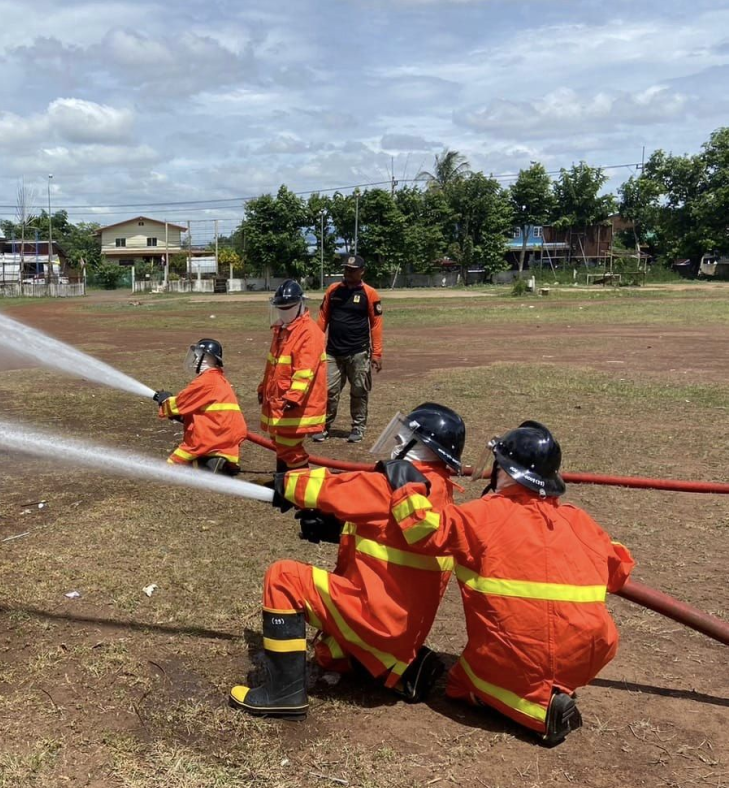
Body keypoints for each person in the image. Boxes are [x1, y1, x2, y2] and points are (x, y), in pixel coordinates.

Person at [229, 403, 466, 718]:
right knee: (328, 652)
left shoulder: (396, 484)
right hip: (401, 630)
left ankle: (281, 694)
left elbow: (331, 487)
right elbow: (391, 533)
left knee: (283, 577)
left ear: (421, 445)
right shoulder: (440, 492)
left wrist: (282, 485)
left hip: (377, 619)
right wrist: (337, 528)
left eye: (405, 435)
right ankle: (399, 670)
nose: (397, 441)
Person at [415, 421, 636, 745]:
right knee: (538, 655)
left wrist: (404, 484)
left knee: (459, 684)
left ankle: (539, 709)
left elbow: (425, 532)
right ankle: (551, 687)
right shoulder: (579, 519)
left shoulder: (482, 516)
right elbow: (620, 572)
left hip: (525, 650)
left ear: (504, 471)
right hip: (589, 654)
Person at [257, 280, 327, 472]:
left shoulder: (309, 332)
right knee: (280, 442)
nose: (283, 312)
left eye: (287, 308)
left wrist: (294, 397)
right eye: (280, 308)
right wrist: (263, 388)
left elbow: (305, 370)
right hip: (278, 400)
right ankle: (284, 484)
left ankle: (302, 489)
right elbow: (273, 366)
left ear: (300, 304)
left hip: (295, 404)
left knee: (289, 447)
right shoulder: (282, 330)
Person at [313, 254, 383, 444]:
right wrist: (314, 345)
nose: (348, 273)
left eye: (352, 270)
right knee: (328, 391)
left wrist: (376, 353)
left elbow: (376, 324)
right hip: (332, 352)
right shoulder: (333, 290)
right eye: (346, 269)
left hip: (358, 352)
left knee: (359, 390)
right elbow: (322, 318)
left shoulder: (370, 293)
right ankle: (323, 426)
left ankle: (358, 428)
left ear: (362, 271)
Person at [151, 339, 247, 474]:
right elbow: (199, 409)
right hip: (225, 437)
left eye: (198, 356)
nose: (195, 360)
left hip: (211, 435)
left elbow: (180, 403)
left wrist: (164, 400)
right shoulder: (218, 379)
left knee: (170, 468)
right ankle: (218, 462)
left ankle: (210, 465)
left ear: (209, 358)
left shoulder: (206, 381)